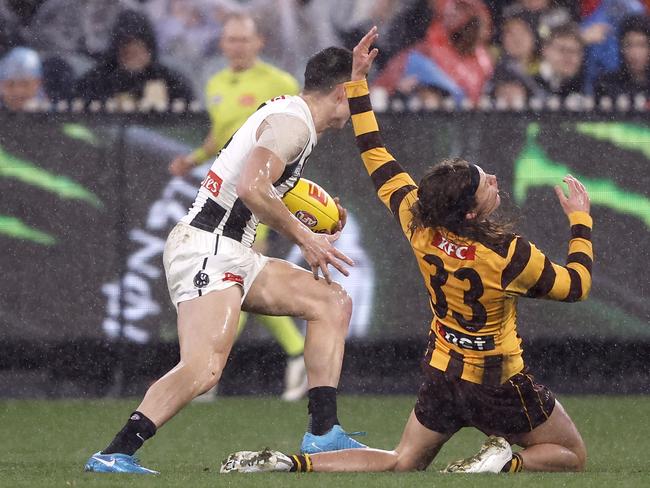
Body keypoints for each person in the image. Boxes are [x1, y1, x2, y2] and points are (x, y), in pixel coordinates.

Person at [221, 26, 592, 476]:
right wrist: (580, 222)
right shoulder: (508, 254)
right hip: (497, 381)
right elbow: (577, 287)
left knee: (401, 462)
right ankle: (505, 463)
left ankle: (292, 463)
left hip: (443, 376)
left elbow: (372, 148)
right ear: (471, 213)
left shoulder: (416, 218)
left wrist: (357, 83)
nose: (493, 181)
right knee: (572, 456)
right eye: (484, 183)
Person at [84, 43, 366, 475]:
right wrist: (306, 237)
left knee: (332, 302)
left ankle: (324, 431)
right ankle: (115, 452)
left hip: (235, 249)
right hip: (207, 248)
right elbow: (254, 188)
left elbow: (255, 182)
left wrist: (317, 209)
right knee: (203, 368)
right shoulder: (295, 124)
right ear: (342, 92)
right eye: (359, 92)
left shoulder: (291, 116)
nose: (360, 105)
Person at [169, 13, 307, 402]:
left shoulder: (279, 83)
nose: (236, 47)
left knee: (234, 277)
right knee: (235, 280)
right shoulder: (214, 83)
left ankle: (203, 367)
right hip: (224, 194)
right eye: (230, 40)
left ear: (259, 42)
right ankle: (212, 366)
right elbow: (220, 137)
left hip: (256, 193)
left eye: (243, 40)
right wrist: (192, 158)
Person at [74, 9, 194, 108]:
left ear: (149, 50)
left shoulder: (171, 82)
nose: (133, 57)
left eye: (138, 51)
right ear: (117, 51)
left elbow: (188, 116)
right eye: (127, 52)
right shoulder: (96, 81)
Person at [595, 14, 650, 100]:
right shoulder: (606, 84)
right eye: (629, 45)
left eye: (641, 45)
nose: (635, 53)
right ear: (621, 48)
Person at [534, 23, 586, 98]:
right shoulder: (529, 82)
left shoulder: (590, 84)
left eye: (574, 51)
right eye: (562, 50)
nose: (568, 56)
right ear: (545, 50)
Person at [0, 46, 45, 110]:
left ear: (38, 83)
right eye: (10, 84)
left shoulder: (57, 109)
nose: (18, 91)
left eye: (25, 84)